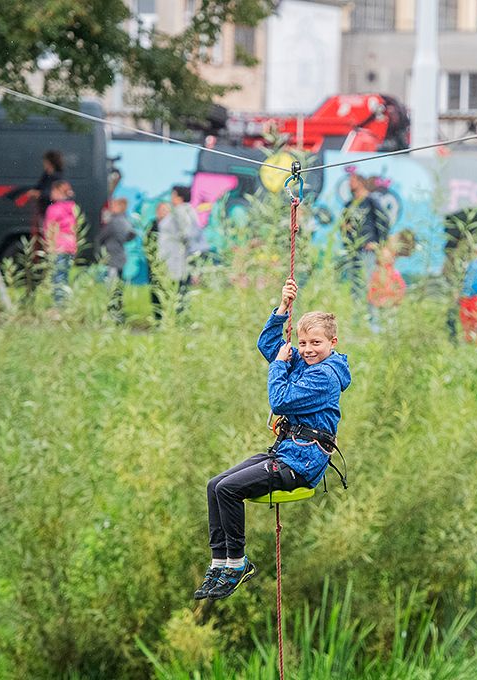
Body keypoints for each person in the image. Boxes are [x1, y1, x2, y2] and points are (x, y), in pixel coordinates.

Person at [196, 278, 351, 601]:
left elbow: (279, 400)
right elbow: (268, 345)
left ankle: (238, 564)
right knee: (215, 484)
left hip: (302, 464)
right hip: (286, 452)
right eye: (303, 343)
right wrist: (282, 309)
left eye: (316, 344)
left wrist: (280, 366)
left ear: (332, 342)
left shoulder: (324, 376)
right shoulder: (306, 364)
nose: (307, 350)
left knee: (229, 490)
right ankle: (220, 561)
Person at [339, 169, 387, 300]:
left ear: (360, 182)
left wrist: (378, 243)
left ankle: (371, 317)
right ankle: (357, 316)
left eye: (352, 181)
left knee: (368, 284)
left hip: (367, 249)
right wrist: (345, 227)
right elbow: (342, 224)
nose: (349, 184)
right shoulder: (349, 204)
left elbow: (383, 220)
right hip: (353, 249)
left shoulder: (371, 201)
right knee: (355, 285)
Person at [153, 185, 199, 320]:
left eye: (173, 195)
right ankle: (177, 318)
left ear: (179, 197)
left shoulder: (181, 211)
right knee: (178, 290)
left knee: (178, 290)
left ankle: (178, 319)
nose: (171, 198)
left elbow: (187, 233)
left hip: (175, 259)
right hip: (173, 258)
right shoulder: (183, 210)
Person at [97, 196, 136, 323]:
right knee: (117, 288)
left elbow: (101, 237)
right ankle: (118, 314)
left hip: (112, 258)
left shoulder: (114, 222)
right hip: (120, 258)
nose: (111, 208)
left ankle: (114, 315)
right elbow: (130, 235)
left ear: (120, 207)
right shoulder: (126, 221)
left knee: (112, 289)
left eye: (113, 206)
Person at [43, 179, 78, 307]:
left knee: (57, 277)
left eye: (53, 190)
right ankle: (66, 304)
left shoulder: (53, 209)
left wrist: (48, 246)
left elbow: (50, 229)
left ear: (58, 192)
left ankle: (59, 306)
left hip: (58, 247)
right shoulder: (72, 208)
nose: (51, 193)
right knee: (64, 277)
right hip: (70, 246)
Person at [27, 150, 64, 235]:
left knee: (48, 236)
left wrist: (39, 194)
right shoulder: (47, 175)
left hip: (51, 212)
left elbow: (54, 194)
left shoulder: (57, 177)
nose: (44, 164)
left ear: (49, 163)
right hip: (44, 210)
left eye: (45, 162)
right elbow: (39, 187)